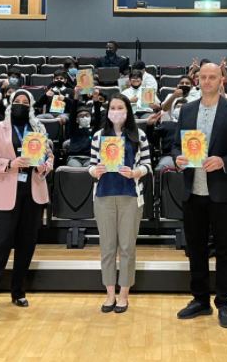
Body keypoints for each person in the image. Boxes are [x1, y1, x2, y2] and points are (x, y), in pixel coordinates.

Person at [173, 63, 227, 329]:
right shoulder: (186, 110)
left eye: (212, 77)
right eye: (203, 77)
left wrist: (224, 160)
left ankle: (224, 303)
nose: (207, 81)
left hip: (222, 191)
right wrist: (178, 158)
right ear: (197, 80)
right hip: (192, 190)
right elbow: (175, 145)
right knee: (195, 249)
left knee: (224, 249)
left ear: (222, 80)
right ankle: (200, 300)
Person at [0, 90, 54, 313]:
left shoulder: (39, 129)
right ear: (10, 105)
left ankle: (18, 291)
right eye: (17, 102)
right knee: (0, 245)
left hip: (33, 192)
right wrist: (11, 163)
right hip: (5, 192)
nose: (21, 105)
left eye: (25, 102)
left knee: (26, 245)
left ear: (31, 106)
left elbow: (49, 156)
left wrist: (44, 167)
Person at [87, 94, 152, 313]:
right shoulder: (98, 136)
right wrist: (94, 171)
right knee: (107, 248)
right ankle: (109, 294)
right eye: (112, 107)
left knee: (127, 247)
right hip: (104, 196)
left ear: (127, 110)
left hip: (130, 196)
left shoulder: (139, 135)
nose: (115, 111)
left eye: (120, 107)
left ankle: (124, 295)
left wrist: (136, 172)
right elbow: (91, 164)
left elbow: (148, 165)